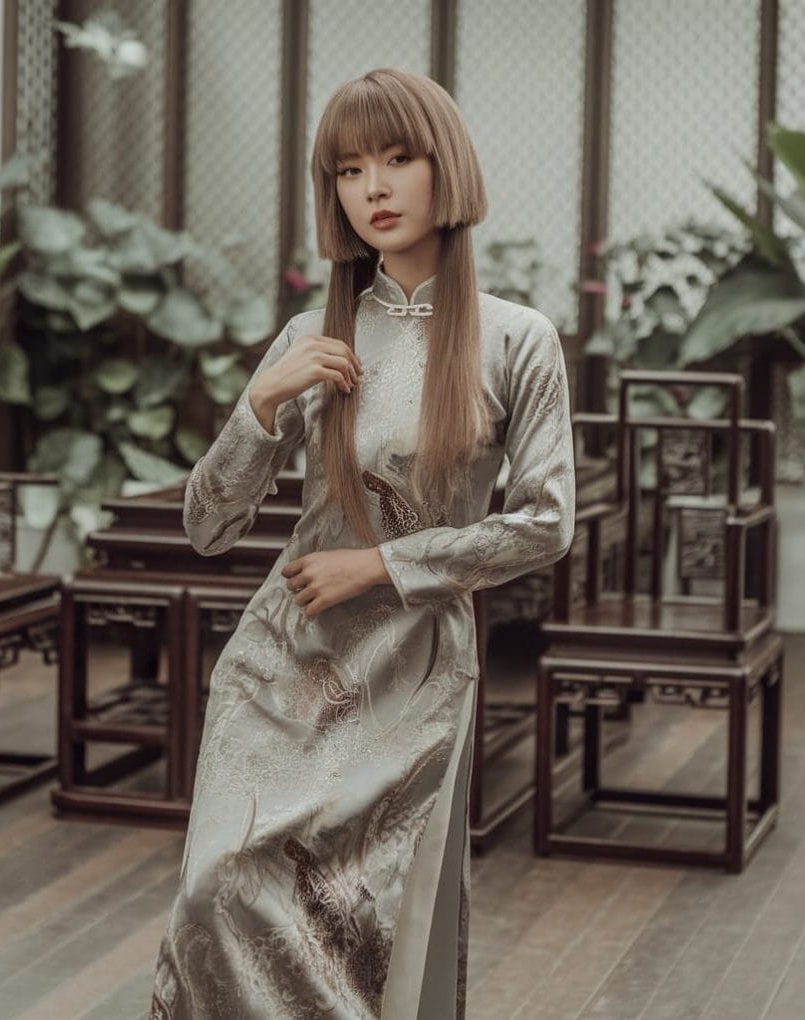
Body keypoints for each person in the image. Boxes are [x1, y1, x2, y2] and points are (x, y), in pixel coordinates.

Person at [149, 67, 575, 1020]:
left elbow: (547, 523)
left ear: (445, 169)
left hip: (411, 667)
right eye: (347, 169)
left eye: (396, 158)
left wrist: (381, 564)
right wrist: (262, 405)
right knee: (217, 884)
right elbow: (207, 527)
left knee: (359, 916)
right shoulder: (313, 335)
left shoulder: (516, 340)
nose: (373, 188)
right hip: (287, 659)